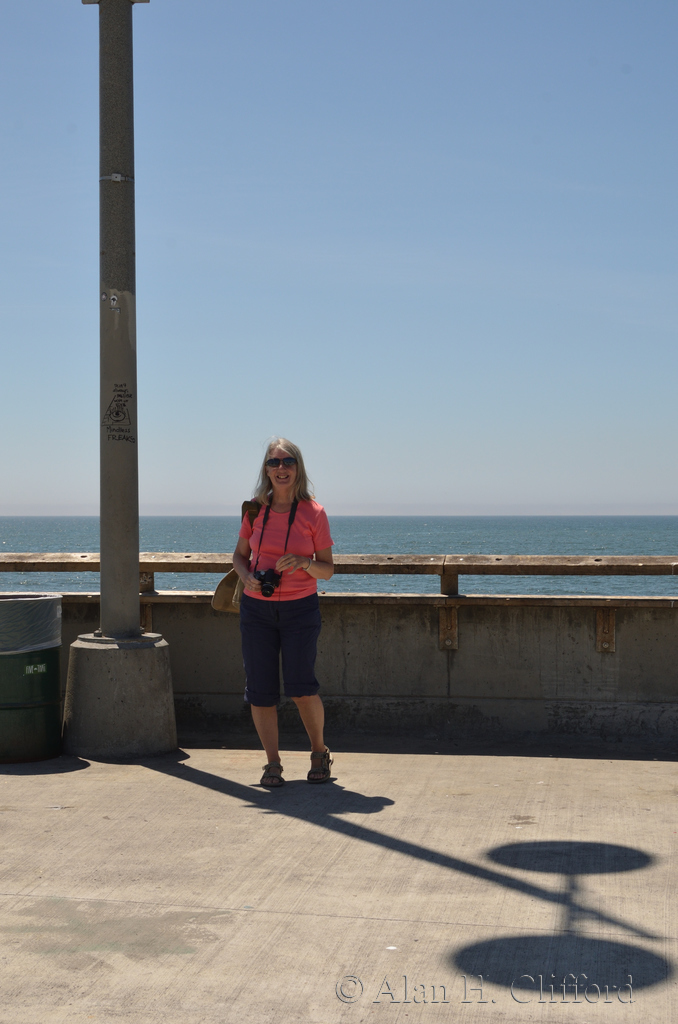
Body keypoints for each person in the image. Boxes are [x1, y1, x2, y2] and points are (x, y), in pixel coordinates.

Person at [232, 438, 335, 787]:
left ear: (298, 468)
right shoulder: (254, 510)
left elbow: (327, 570)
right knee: (260, 691)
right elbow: (239, 556)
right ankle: (272, 762)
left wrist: (304, 563)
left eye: (288, 461)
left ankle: (319, 752)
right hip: (256, 609)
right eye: (274, 462)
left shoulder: (314, 513)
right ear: (266, 469)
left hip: (299, 610)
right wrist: (246, 577)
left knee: (302, 688)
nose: (281, 468)